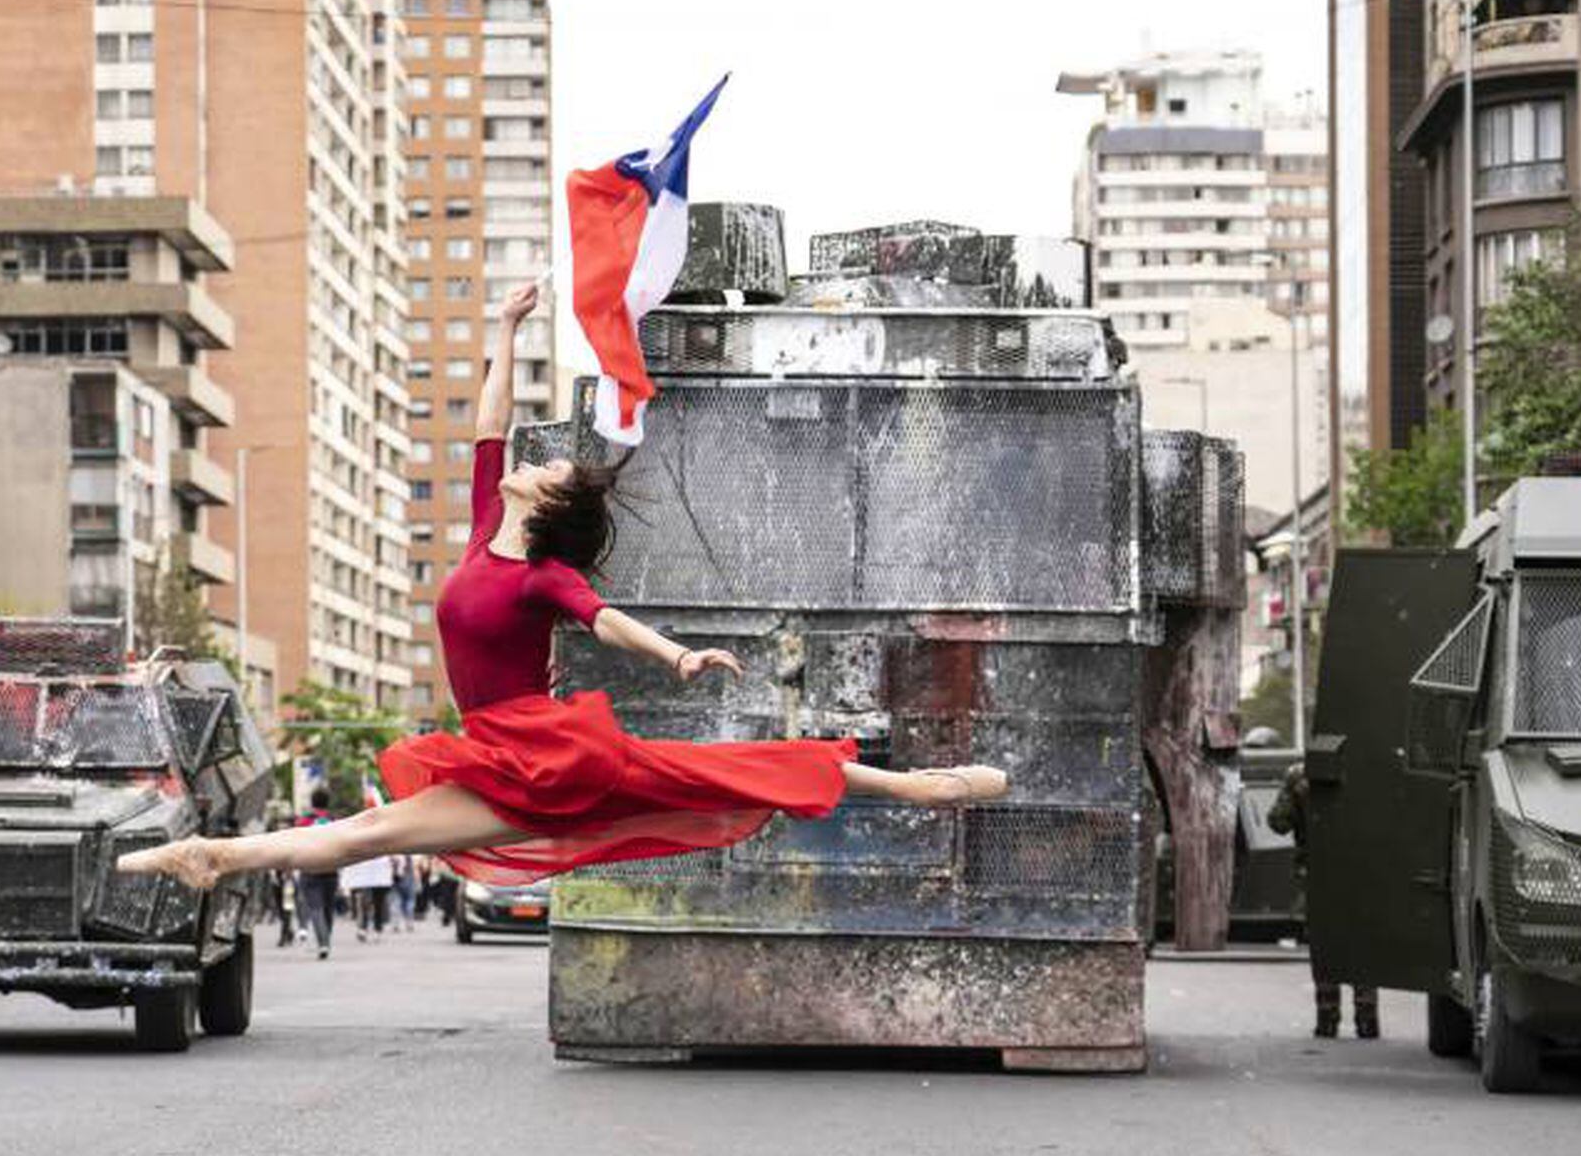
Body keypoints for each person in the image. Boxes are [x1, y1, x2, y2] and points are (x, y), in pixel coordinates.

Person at [120, 282, 1009, 893]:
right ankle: (211, 856)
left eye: (545, 472)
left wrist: (678, 654)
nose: (531, 465)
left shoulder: (542, 574)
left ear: (545, 512)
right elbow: (489, 419)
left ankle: (923, 788)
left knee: (720, 770)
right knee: (365, 836)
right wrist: (505, 331)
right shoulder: (481, 528)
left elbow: (607, 620)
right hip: (493, 756)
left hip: (547, 752)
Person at [1269, 762, 1379, 1039]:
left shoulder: (1299, 774)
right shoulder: (1369, 769)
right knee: (1361, 941)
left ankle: (1327, 1018)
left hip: (1318, 872)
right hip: (1362, 870)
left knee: (1324, 942)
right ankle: (1367, 1019)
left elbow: (1278, 821)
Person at [294, 789, 341, 959]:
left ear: (312, 802)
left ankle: (323, 943)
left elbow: (295, 843)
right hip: (331, 869)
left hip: (309, 869)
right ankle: (326, 938)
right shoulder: (334, 821)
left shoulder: (304, 821)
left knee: (315, 907)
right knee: (328, 908)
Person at [343, 852, 394, 942]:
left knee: (378, 904)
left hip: (380, 876)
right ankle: (363, 928)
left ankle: (377, 929)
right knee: (364, 902)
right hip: (365, 876)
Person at [390, 852, 418, 931]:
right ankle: (409, 923)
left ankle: (396, 924)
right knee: (410, 902)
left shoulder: (393, 855)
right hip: (409, 881)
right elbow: (415, 869)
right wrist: (417, 882)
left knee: (396, 902)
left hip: (396, 881)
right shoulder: (410, 856)